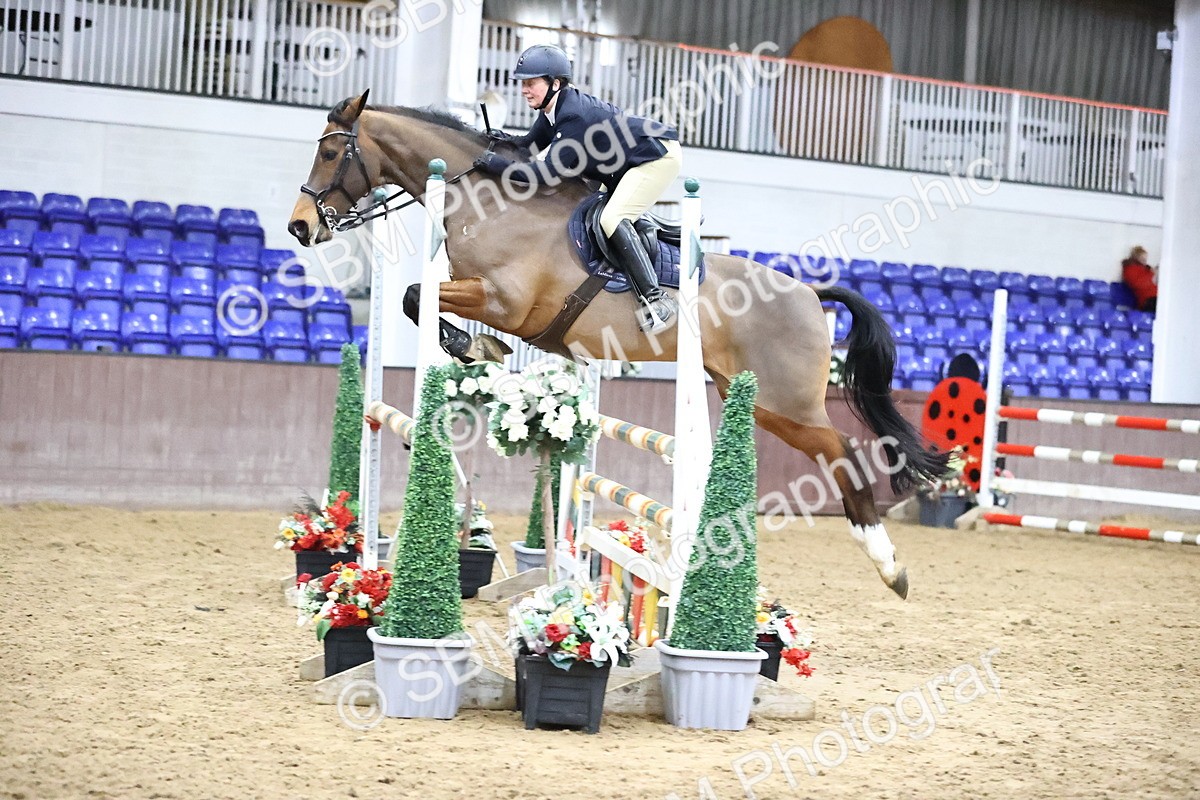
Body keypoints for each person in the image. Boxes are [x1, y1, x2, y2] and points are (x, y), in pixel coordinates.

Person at [472, 44, 682, 332]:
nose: (524, 90)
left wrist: (496, 165)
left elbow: (545, 173)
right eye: (523, 83)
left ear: (555, 83)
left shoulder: (572, 116)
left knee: (611, 218)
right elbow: (529, 145)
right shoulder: (552, 110)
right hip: (626, 162)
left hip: (656, 157)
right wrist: (498, 139)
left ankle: (657, 299)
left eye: (531, 83)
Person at [1121, 245, 1158, 313]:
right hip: (1146, 301)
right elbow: (1137, 284)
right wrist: (1152, 278)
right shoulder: (1130, 269)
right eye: (1142, 257)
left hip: (1155, 297)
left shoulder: (1148, 269)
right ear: (1136, 257)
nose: (1145, 259)